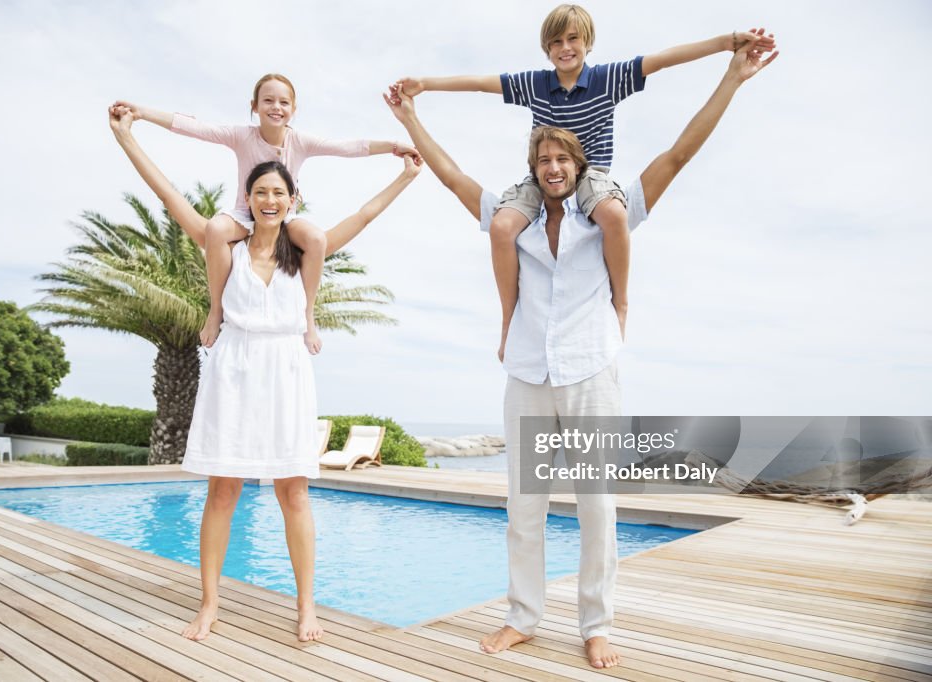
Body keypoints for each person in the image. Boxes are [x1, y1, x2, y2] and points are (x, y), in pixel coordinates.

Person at [385, 42, 776, 669]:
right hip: (527, 376)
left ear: (579, 163)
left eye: (562, 156)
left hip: (590, 369)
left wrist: (732, 76)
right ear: (533, 169)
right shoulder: (518, 221)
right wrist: (411, 121)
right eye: (542, 158)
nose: (552, 166)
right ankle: (524, 617)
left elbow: (678, 153)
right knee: (524, 510)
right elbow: (454, 176)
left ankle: (596, 625)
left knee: (596, 506)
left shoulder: (607, 215)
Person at [108, 105, 422, 643]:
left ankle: (306, 609)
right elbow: (169, 196)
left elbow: (364, 216)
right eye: (261, 193)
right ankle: (208, 605)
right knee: (222, 492)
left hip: (287, 371)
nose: (270, 200)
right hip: (232, 367)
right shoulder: (224, 249)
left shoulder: (304, 254)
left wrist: (405, 175)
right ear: (248, 200)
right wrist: (126, 138)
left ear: (291, 200)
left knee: (294, 493)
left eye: (279, 193)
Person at [395, 4, 775, 361]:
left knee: (613, 214)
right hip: (539, 177)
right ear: (546, 49)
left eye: (573, 39)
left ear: (587, 42)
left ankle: (620, 303)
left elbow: (663, 60)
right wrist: (426, 84)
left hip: (591, 173)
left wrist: (725, 43)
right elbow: (479, 83)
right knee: (500, 226)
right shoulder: (535, 84)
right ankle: (509, 321)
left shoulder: (608, 79)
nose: (565, 48)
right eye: (556, 42)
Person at [113, 74, 420, 355]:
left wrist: (394, 148)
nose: (276, 107)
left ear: (294, 109)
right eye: (268, 101)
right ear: (254, 107)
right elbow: (195, 130)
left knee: (315, 238)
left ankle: (308, 315)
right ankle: (216, 309)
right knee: (216, 230)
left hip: (287, 220)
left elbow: (350, 150)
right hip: (241, 216)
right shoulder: (241, 136)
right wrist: (140, 114)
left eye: (284, 102)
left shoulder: (300, 142)